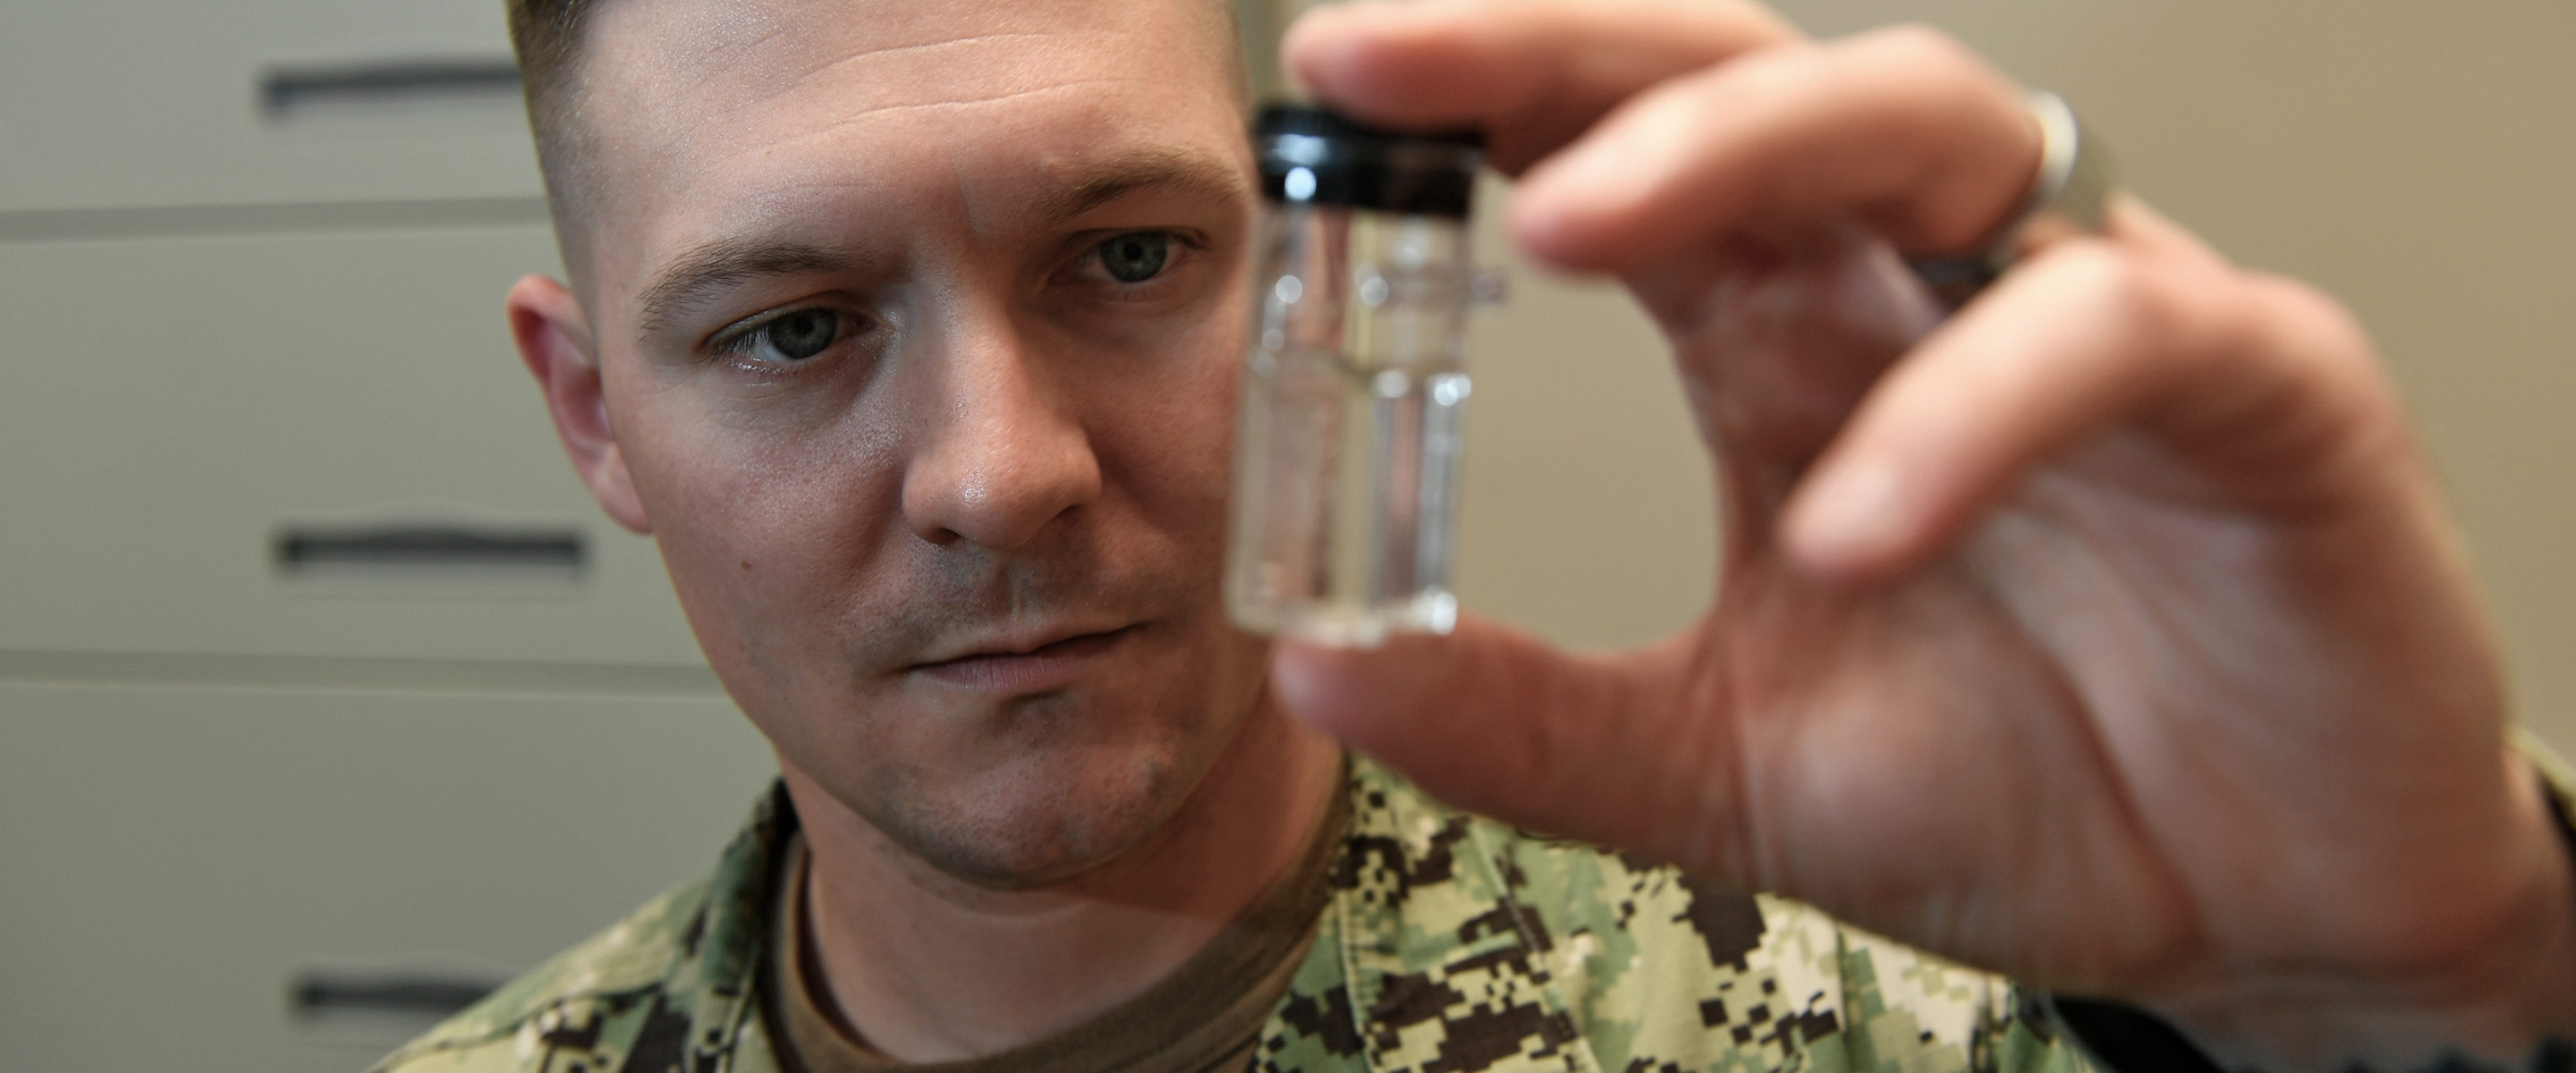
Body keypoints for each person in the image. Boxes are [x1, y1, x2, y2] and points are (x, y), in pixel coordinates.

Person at [372, 0, 2576, 1070]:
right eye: (789, 329)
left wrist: (2446, 983)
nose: (998, 472)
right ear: (594, 412)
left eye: (1129, 259)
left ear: (1307, 281)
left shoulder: (1890, 1037)